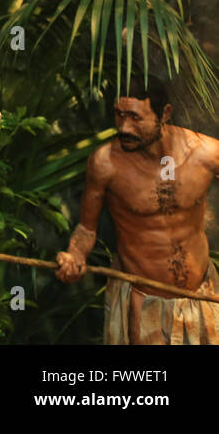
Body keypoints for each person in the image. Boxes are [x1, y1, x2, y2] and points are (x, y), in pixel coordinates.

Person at [56, 77, 219, 344]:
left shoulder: (207, 154)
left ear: (165, 113)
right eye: (119, 115)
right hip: (143, 302)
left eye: (134, 117)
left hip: (202, 297)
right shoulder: (105, 163)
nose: (124, 127)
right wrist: (75, 255)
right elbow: (86, 229)